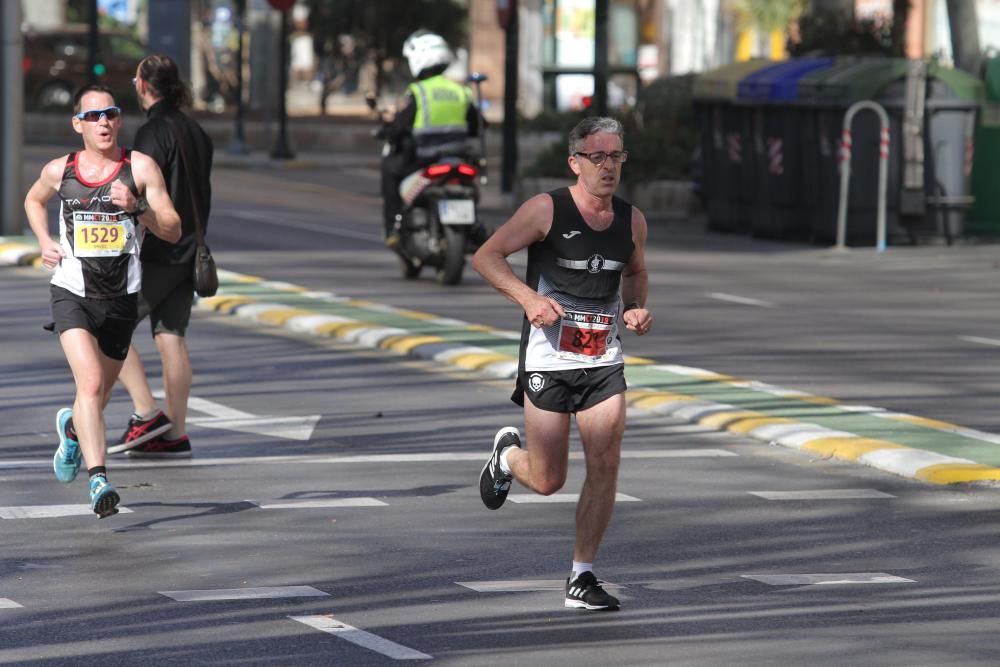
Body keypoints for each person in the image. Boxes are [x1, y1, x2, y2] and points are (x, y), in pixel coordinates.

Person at [472, 117, 652, 611]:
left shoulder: (631, 220)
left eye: (616, 156)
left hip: (602, 360)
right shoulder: (546, 209)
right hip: (548, 358)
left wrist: (635, 307)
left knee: (607, 460)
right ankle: (507, 458)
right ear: (575, 162)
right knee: (549, 479)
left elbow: (635, 272)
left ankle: (582, 575)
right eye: (597, 157)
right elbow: (487, 257)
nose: (608, 166)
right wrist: (528, 299)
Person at [23, 85, 181, 518]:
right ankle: (98, 479)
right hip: (72, 292)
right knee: (89, 384)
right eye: (93, 116)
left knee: (100, 394)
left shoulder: (140, 168)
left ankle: (72, 429)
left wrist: (137, 207)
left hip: (121, 299)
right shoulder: (61, 170)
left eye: (110, 114)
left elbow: (172, 228)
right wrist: (44, 240)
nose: (104, 122)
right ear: (78, 125)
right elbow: (33, 200)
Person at [112, 54, 214, 459]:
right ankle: (176, 433)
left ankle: (146, 413)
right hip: (191, 252)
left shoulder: (153, 133)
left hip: (157, 250)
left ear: (141, 84)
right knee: (171, 337)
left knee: (107, 327)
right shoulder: (196, 130)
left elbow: (138, 191)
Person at [380, 30, 483, 248]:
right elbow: (476, 125)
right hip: (458, 159)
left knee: (390, 169)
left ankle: (393, 229)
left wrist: (389, 130)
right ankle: (475, 229)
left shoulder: (419, 91)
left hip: (423, 159)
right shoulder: (461, 91)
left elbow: (400, 127)